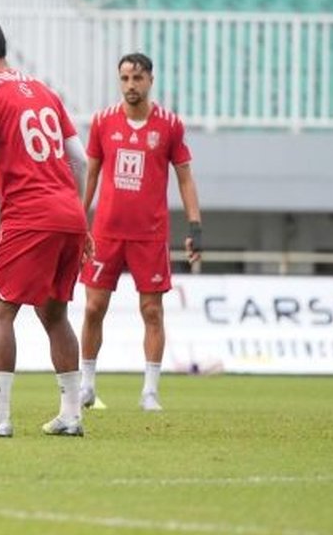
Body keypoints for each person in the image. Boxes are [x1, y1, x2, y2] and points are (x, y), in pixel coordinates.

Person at [0, 18, 90, 438]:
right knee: (54, 312)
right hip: (69, 213)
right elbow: (79, 159)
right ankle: (70, 414)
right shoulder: (45, 91)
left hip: (30, 215)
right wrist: (81, 217)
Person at [78, 53, 203, 412]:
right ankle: (86, 385)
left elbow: (185, 177)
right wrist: (77, 221)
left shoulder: (169, 125)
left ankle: (150, 391)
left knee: (151, 311)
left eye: (137, 78)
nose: (130, 85)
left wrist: (195, 225)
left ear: (150, 80)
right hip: (106, 233)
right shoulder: (103, 121)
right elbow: (91, 175)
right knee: (93, 307)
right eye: (124, 78)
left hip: (150, 235)